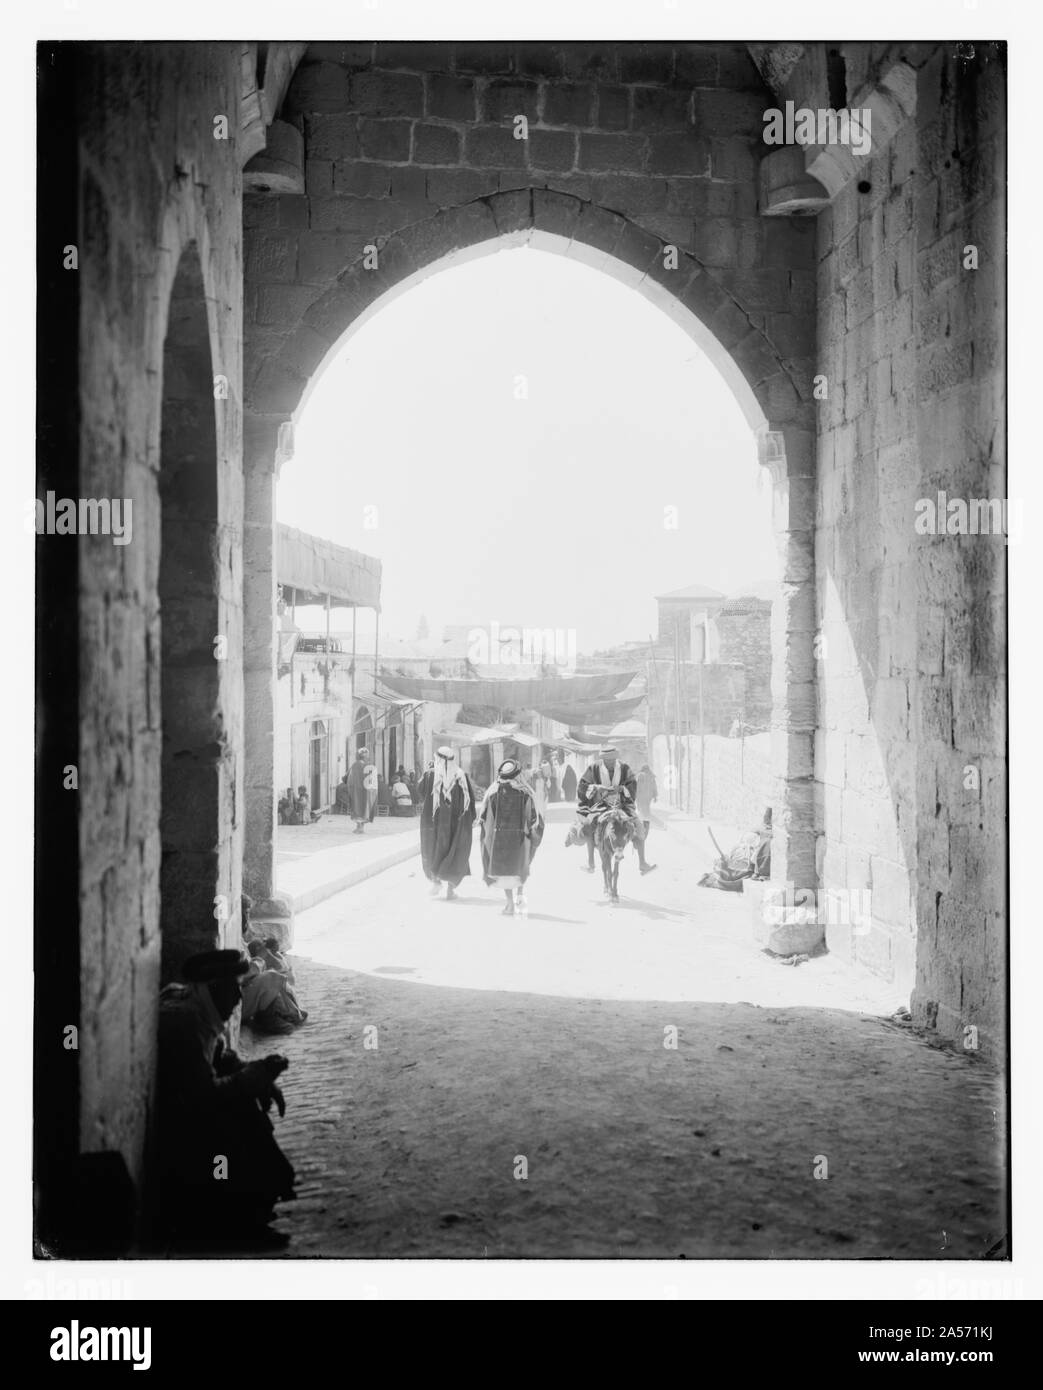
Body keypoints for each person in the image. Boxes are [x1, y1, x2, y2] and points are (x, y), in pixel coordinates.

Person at [156, 949, 296, 1250]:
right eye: (233, 987)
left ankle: (253, 1211)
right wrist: (253, 1077)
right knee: (240, 1119)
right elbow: (201, 1097)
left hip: (189, 1106)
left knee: (247, 1100)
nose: (237, 997)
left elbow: (220, 1056)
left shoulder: (194, 1006)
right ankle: (237, 1221)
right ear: (214, 988)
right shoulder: (185, 1023)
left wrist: (255, 1074)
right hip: (176, 1127)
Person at [574, 745, 656, 875]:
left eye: (612, 761)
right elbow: (583, 785)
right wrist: (595, 788)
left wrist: (623, 789)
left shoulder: (624, 768)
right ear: (603, 760)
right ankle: (590, 862)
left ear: (616, 759)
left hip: (621, 804)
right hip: (600, 805)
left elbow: (632, 785)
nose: (610, 763)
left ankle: (642, 863)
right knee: (589, 825)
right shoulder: (594, 768)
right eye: (607, 761)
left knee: (639, 826)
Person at [480, 759, 545, 915]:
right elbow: (534, 820)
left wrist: (488, 841)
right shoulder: (526, 793)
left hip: (499, 841)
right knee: (520, 870)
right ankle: (519, 900)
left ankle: (509, 904)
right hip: (521, 841)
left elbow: (486, 821)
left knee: (505, 874)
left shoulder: (492, 792)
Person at [418, 746, 476, 900]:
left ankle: (436, 881)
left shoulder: (430, 774)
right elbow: (470, 800)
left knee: (433, 849)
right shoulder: (461, 776)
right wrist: (470, 819)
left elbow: (420, 791)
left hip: (434, 822)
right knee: (454, 851)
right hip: (455, 823)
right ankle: (450, 891)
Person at [346, 747, 378, 833]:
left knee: (357, 807)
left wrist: (350, 788)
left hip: (356, 790)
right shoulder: (369, 766)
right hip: (365, 791)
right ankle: (361, 827)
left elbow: (349, 778)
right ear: (365, 757)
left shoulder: (354, 765)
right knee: (364, 808)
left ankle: (359, 827)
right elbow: (372, 780)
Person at [635, 764, 659, 842]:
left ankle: (643, 825)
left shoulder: (640, 776)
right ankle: (645, 823)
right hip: (648, 797)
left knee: (641, 809)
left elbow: (637, 787)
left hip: (641, 796)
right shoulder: (651, 776)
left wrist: (634, 796)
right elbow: (654, 786)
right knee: (646, 808)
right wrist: (655, 796)